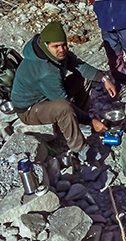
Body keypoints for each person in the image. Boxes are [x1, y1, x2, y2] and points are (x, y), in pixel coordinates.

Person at [11, 21, 117, 165]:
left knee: (83, 80)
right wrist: (91, 121)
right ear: (46, 45)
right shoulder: (46, 71)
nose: (61, 49)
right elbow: (64, 102)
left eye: (63, 45)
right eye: (56, 46)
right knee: (64, 109)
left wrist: (104, 78)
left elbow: (79, 66)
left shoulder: (56, 54)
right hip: (29, 110)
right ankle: (79, 149)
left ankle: (75, 123)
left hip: (47, 95)